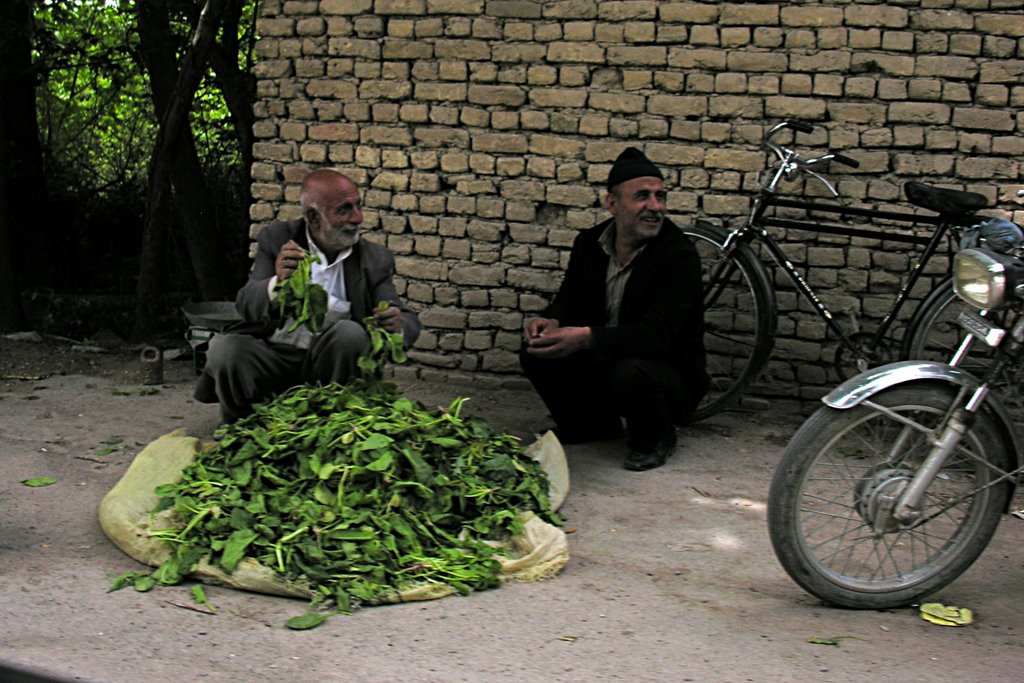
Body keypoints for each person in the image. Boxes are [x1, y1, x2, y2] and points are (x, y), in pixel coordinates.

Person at [520, 147, 708, 471]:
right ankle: (589, 426)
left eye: (660, 197)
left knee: (631, 371)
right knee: (535, 349)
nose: (655, 207)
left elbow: (658, 336)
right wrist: (550, 320)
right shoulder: (589, 244)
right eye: (642, 197)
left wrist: (585, 338)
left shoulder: (678, 255)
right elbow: (569, 299)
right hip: (607, 357)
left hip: (666, 375)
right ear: (612, 203)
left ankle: (656, 438)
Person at [194, 168, 421, 422]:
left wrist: (397, 324)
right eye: (344, 209)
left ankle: (336, 423)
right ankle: (240, 428)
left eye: (358, 206)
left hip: (331, 370)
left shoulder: (374, 259)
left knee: (350, 333)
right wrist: (276, 283)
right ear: (313, 217)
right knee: (225, 348)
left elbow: (404, 317)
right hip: (272, 358)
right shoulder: (277, 239)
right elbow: (246, 303)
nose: (358, 218)